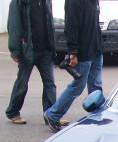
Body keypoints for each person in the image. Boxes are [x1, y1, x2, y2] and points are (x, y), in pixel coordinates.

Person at [43, 0, 103, 132]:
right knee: (77, 86)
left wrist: (99, 46)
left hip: (96, 49)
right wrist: (73, 52)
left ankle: (98, 116)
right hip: (83, 51)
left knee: (96, 87)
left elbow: (94, 24)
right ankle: (53, 114)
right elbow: (71, 27)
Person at [6, 0, 59, 125]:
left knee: (50, 84)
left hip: (45, 50)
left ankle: (51, 114)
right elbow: (14, 25)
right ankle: (13, 112)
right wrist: (15, 50)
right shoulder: (19, 2)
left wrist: (52, 46)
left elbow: (49, 23)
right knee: (22, 83)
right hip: (28, 50)